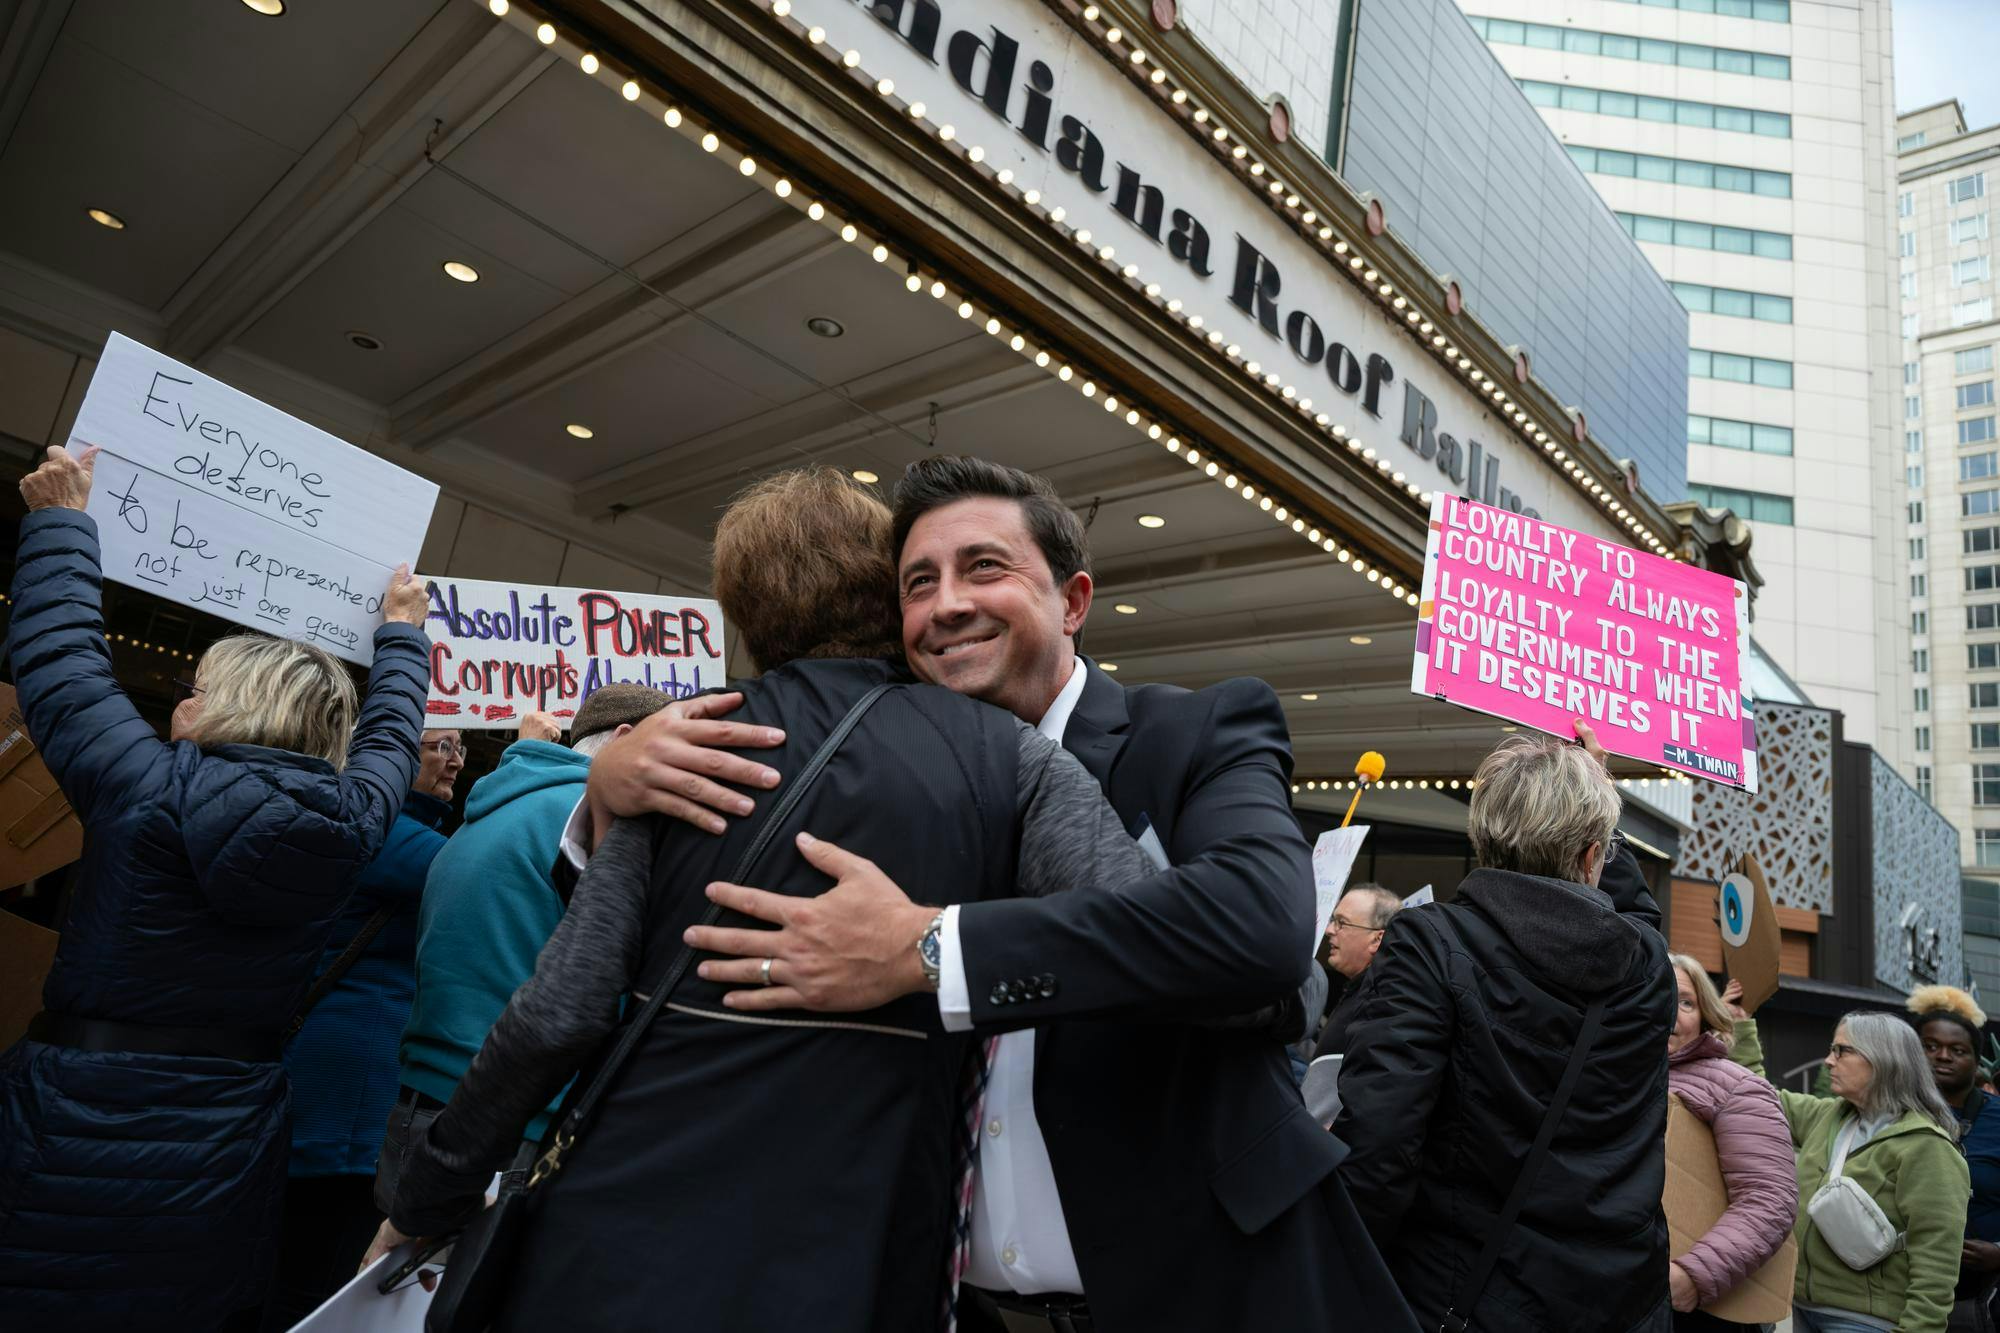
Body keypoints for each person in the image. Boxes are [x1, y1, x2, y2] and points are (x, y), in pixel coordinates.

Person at [577, 456, 1417, 1332]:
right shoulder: (898, 776)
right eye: (917, 582)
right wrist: (607, 792)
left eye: (984, 567)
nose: (946, 604)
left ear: (1073, 601)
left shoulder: (1196, 730)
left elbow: (1265, 946)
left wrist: (933, 949)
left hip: (1214, 1289)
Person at [383, 465, 1161, 1331]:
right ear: (884, 589)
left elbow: (559, 1011)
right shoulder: (1011, 757)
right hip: (855, 1254)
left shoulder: (685, 746)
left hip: (618, 1246)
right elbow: (1148, 937)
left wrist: (429, 1190)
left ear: (741, 613)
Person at [0, 445, 431, 1331]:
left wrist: (59, 523)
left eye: (194, 689)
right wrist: (403, 637)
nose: (179, 704)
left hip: (75, 1117)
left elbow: (59, 660)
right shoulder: (358, 818)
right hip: (228, 1134)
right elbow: (390, 738)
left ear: (228, 705)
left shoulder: (144, 786)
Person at [1332, 723, 1675, 1332]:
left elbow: (1380, 1145)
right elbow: (1638, 912)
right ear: (1597, 854)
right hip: (1620, 1303)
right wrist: (1596, 787)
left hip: (1465, 1295)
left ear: (1482, 837)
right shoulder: (1647, 967)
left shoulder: (1430, 943)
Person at [369, 688, 670, 1225]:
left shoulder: (495, 805)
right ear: (625, 741)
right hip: (505, 1132)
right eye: (671, 746)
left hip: (426, 1111)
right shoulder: (585, 817)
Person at [259, 724, 464, 1329]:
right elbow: (481, 866)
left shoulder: (399, 824)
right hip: (346, 1094)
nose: (456, 760)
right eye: (441, 745)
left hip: (335, 1076)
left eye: (459, 747)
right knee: (319, 1278)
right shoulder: (382, 831)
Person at [1770, 1011, 1969, 1333]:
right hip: (1802, 1308)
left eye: (1841, 1050)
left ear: (1883, 1059)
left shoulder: (1927, 1148)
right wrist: (1740, 1023)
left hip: (1864, 1323)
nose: (1828, 1061)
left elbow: (1937, 1263)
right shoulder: (1830, 1116)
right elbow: (1756, 1098)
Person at [1663, 955, 1797, 1332]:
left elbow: (1770, 1198)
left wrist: (1695, 1277)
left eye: (1686, 1001)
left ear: (1705, 1015)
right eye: (1659, 992)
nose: (1672, 1010)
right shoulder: (1601, 1073)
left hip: (1695, 1310)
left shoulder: (1736, 1086)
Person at [1906, 985, 2000, 1332]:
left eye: (1957, 1049)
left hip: (1983, 1300)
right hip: (1897, 1296)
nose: (1942, 1056)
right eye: (1930, 1047)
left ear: (1977, 1062)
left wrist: (1999, 1252)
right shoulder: (1883, 1113)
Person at [1308, 880, 1400, 1060]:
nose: (1329, 930)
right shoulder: (1362, 993)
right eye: (1333, 920)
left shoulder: (1380, 1005)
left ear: (1377, 939)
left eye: (1342, 923)